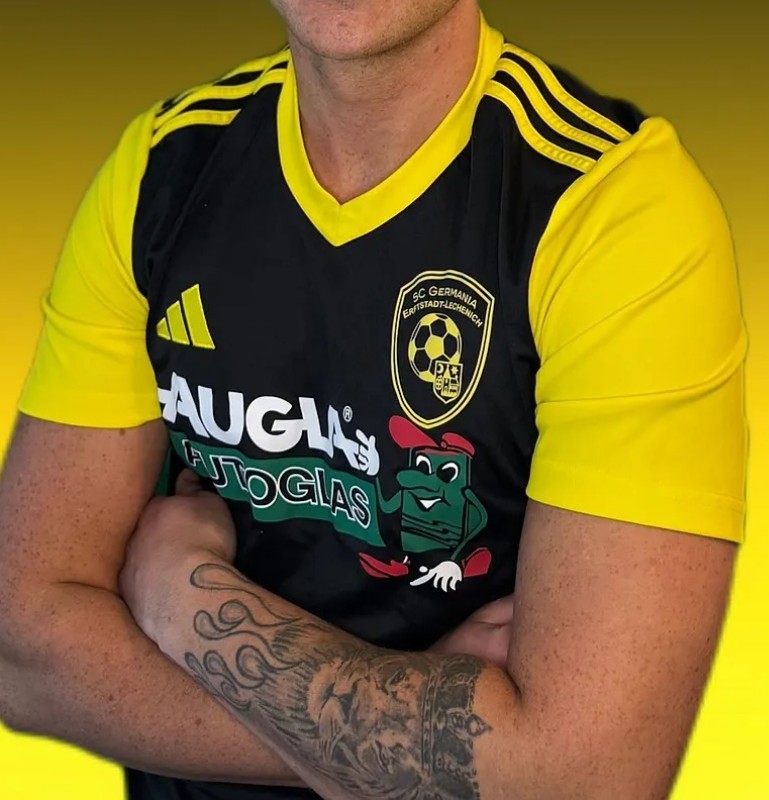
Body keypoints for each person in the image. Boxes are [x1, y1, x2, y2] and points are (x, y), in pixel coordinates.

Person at [0, 0, 747, 798]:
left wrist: (180, 595)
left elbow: (587, 781)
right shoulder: (160, 167)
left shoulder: (613, 208)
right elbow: (19, 655)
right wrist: (437, 740)